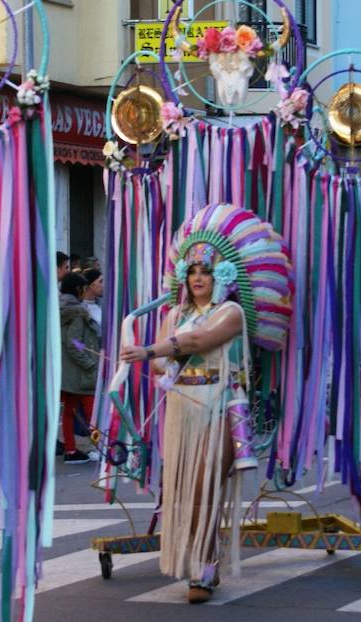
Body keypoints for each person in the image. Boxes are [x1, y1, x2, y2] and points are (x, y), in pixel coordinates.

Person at [119, 203, 292, 604]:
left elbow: (196, 342)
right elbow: (165, 362)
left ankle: (205, 566)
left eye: (206, 271)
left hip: (221, 406)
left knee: (204, 486)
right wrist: (157, 356)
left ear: (221, 276)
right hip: (182, 407)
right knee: (180, 488)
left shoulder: (231, 312)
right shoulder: (176, 313)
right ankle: (189, 560)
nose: (198, 278)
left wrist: (150, 350)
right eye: (193, 271)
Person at [59, 273, 99, 464]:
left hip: (67, 372)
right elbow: (74, 342)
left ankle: (71, 450)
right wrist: (90, 362)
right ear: (78, 290)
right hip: (82, 372)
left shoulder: (60, 308)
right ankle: (100, 449)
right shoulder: (76, 312)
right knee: (93, 411)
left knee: (69, 411)